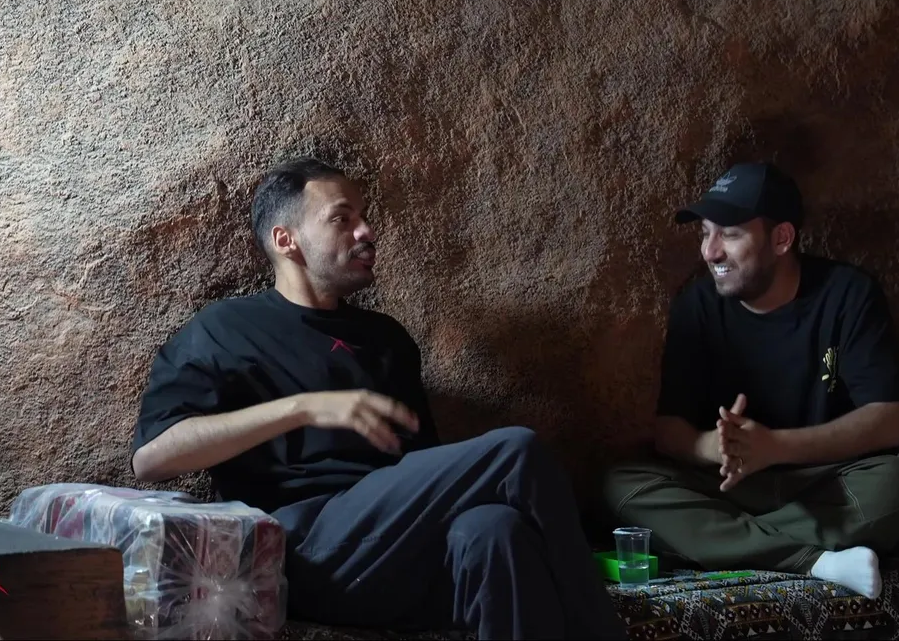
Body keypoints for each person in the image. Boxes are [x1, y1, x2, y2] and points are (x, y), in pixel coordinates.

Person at [130, 157, 626, 640]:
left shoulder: (386, 339)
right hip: (300, 547)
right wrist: (302, 408)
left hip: (395, 554)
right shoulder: (224, 328)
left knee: (495, 528)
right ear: (286, 240)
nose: (366, 231)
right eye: (342, 219)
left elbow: (428, 470)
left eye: (364, 217)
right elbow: (152, 459)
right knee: (516, 450)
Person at [603, 161, 899, 600]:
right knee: (621, 485)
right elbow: (669, 430)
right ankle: (816, 560)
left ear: (781, 239)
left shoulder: (847, 294)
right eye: (705, 233)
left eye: (730, 234)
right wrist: (714, 447)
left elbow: (891, 420)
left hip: (821, 481)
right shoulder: (697, 306)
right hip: (731, 485)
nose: (710, 252)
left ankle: (717, 541)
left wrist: (775, 446)